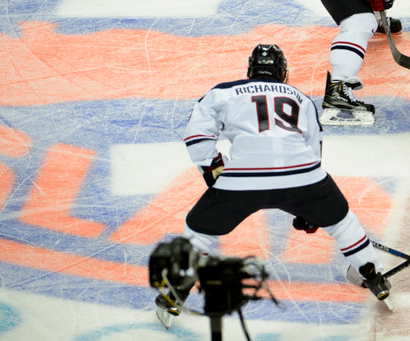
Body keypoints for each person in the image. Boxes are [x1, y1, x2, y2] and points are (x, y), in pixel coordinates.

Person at [154, 44, 391, 327]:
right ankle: (373, 274)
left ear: (250, 70)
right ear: (283, 73)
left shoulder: (222, 92)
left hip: (242, 180)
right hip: (304, 179)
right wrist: (309, 209)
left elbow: (196, 137)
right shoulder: (301, 98)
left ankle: (176, 292)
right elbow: (313, 153)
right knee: (343, 224)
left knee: (198, 231)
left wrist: (216, 173)